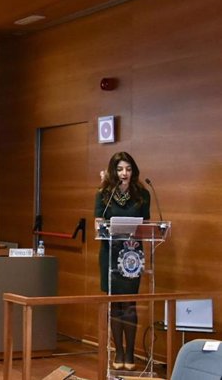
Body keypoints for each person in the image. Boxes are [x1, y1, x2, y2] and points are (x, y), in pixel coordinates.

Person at [95, 151, 150, 370]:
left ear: (133, 171)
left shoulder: (142, 195)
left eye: (127, 169)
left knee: (129, 303)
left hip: (132, 255)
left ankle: (130, 353)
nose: (124, 173)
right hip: (110, 253)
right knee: (115, 304)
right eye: (119, 169)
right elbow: (98, 225)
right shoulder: (103, 194)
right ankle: (118, 350)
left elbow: (146, 225)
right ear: (113, 171)